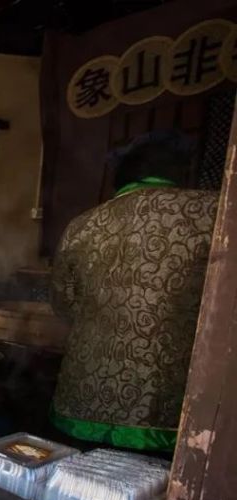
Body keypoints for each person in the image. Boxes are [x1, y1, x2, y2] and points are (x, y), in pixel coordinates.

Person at [51, 131, 217, 452]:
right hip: (172, 413)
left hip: (83, 401)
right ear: (182, 172)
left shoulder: (83, 225)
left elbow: (64, 305)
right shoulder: (214, 215)